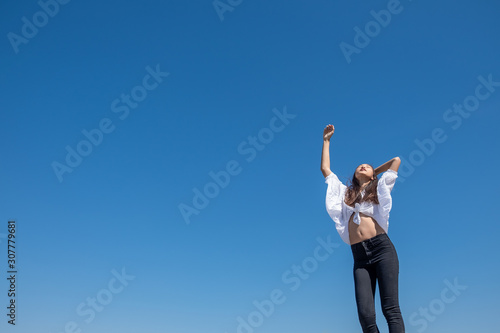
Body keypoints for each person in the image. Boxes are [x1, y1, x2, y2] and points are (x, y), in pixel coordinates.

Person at [320, 124, 405, 333]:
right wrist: (326, 141)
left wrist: (372, 174)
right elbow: (326, 170)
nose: (363, 167)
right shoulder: (344, 194)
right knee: (365, 315)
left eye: (367, 166)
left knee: (390, 308)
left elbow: (396, 161)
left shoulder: (379, 188)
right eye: (359, 166)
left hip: (382, 249)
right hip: (359, 256)